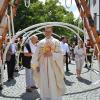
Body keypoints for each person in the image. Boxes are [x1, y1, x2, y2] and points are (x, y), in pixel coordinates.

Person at [31, 26, 65, 100]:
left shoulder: (56, 41)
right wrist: (36, 65)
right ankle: (44, 97)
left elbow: (61, 54)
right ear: (44, 32)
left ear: (52, 32)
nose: (47, 33)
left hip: (54, 66)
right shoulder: (40, 42)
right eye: (46, 31)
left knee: (53, 82)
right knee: (44, 81)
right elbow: (36, 54)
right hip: (42, 65)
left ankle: (55, 97)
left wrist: (52, 54)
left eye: (49, 31)